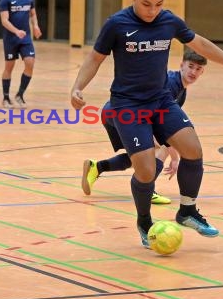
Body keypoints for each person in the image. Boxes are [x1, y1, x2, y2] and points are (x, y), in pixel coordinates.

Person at [70, 0, 223, 248]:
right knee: (145, 171)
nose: (152, 11)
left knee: (193, 148)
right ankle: (144, 221)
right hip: (128, 105)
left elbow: (201, 45)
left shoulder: (169, 21)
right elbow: (95, 59)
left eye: (158, 4)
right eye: (146, 4)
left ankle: (187, 211)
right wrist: (77, 87)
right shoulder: (117, 24)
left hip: (160, 100)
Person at [82, 50, 209, 206]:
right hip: (121, 113)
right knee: (158, 150)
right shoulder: (170, 83)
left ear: (202, 72)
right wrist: (175, 158)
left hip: (118, 113)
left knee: (143, 157)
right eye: (191, 66)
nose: (193, 72)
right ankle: (148, 191)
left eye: (198, 69)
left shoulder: (180, 90)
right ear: (182, 65)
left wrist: (174, 157)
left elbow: (166, 125)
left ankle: (97, 167)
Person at [0, 0, 42, 109]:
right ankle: (6, 98)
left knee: (30, 63)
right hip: (11, 38)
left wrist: (35, 26)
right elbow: (4, 20)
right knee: (9, 67)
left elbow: (33, 14)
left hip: (25, 38)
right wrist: (16, 31)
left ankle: (20, 95)